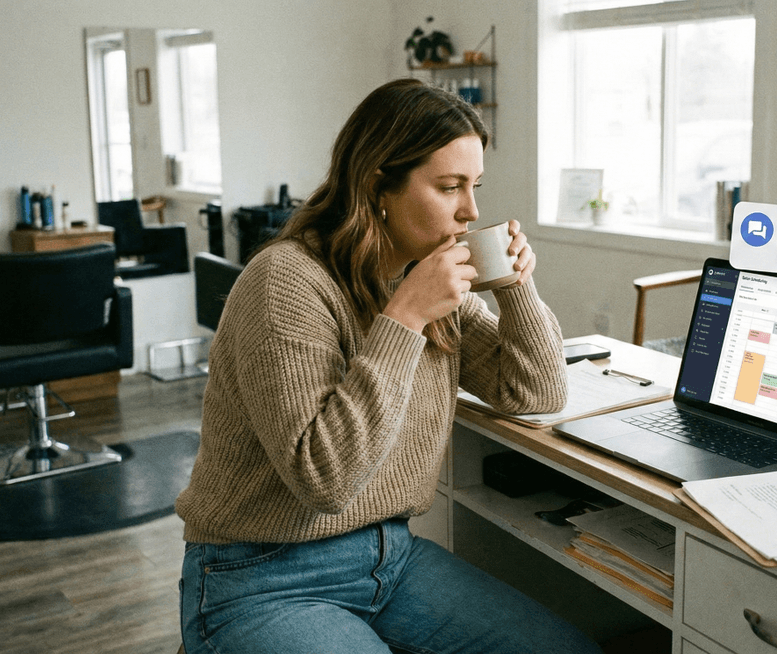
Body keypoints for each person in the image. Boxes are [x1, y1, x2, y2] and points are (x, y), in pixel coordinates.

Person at [175, 78, 601, 654]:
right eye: (449, 186)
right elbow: (324, 480)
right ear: (379, 184)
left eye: (474, 186)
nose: (471, 211)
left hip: (388, 558)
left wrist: (516, 288)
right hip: (259, 577)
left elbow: (537, 392)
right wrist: (402, 322)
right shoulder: (285, 282)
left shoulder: (421, 272)